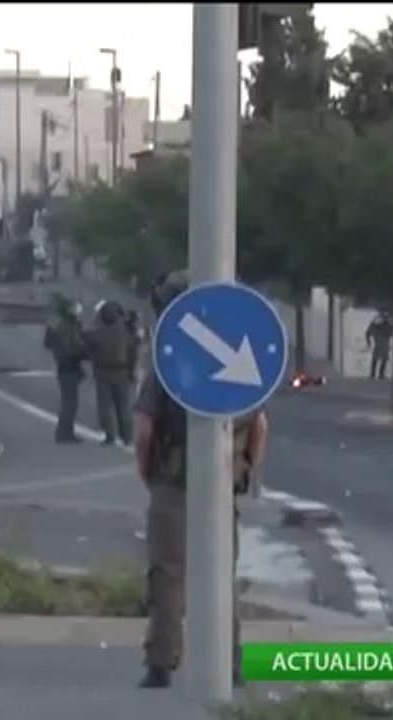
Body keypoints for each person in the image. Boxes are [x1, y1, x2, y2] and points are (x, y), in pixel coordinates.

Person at [133, 269, 270, 689]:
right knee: (219, 575)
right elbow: (260, 424)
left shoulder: (170, 362)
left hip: (173, 482)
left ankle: (162, 661)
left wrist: (147, 471)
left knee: (168, 574)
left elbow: (143, 428)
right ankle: (230, 663)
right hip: (222, 481)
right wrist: (245, 469)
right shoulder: (234, 361)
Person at [86, 299, 135, 446]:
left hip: (103, 372)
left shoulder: (98, 331)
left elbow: (88, 345)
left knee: (105, 405)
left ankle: (110, 435)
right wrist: (132, 371)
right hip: (122, 371)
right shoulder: (125, 332)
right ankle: (127, 436)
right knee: (123, 406)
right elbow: (132, 352)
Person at [43, 296, 87, 443]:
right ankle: (64, 434)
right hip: (69, 368)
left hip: (66, 368)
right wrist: (85, 352)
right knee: (69, 403)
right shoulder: (68, 327)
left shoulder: (67, 326)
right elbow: (73, 348)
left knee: (69, 403)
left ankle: (66, 432)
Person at [365, 312, 393, 379]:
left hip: (379, 343)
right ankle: (380, 374)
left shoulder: (374, 323)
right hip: (384, 343)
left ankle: (373, 374)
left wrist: (369, 343)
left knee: (376, 359)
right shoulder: (388, 323)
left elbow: (367, 333)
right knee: (382, 359)